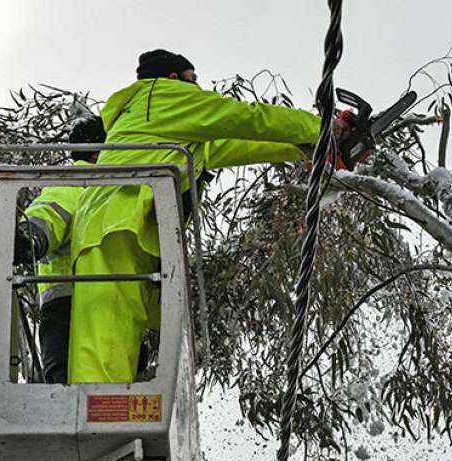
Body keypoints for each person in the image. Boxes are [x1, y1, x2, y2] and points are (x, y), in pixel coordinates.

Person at [67, 49, 344, 384]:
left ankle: (107, 419)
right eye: (192, 78)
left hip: (126, 227)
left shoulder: (168, 127)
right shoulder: (164, 97)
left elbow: (232, 144)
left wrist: (303, 147)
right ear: (173, 78)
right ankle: (97, 423)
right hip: (113, 223)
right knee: (105, 337)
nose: (197, 86)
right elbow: (246, 117)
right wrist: (321, 127)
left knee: (119, 330)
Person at [13, 115, 107, 383]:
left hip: (84, 312)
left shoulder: (110, 189)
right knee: (74, 402)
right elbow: (47, 215)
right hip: (72, 313)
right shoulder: (78, 185)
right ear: (97, 152)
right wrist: (30, 238)